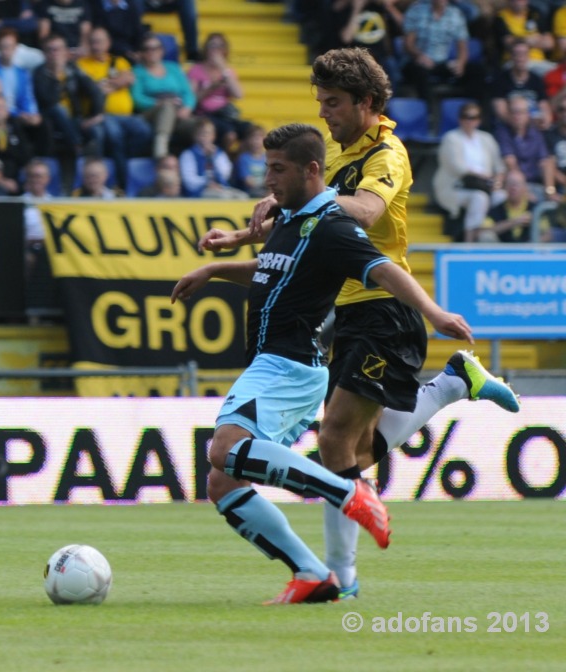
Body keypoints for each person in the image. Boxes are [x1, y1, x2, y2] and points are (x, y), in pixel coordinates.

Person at [198, 48, 520, 599]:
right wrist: (260, 224)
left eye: (334, 103)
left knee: (338, 441)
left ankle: (337, 577)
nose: (325, 113)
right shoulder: (346, 156)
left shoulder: (387, 155)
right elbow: (313, 218)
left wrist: (290, 203)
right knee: (346, 450)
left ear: (366, 102)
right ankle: (451, 385)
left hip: (383, 307)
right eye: (321, 102)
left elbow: (365, 214)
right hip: (346, 307)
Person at [171, 123, 474, 604]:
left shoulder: (332, 226)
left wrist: (435, 313)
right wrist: (213, 269)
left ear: (312, 170)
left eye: (278, 169)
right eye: (267, 168)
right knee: (223, 480)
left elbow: (384, 269)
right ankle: (313, 574)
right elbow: (267, 268)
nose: (268, 180)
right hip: (281, 363)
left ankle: (348, 493)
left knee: (224, 449)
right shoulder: (292, 219)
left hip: (287, 364)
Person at [77, 25, 151, 188]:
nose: (96, 45)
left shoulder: (119, 61)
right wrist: (117, 82)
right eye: (93, 42)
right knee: (114, 135)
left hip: (127, 116)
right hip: (102, 116)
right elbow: (89, 89)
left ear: (108, 43)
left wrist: (105, 84)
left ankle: (121, 158)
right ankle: (121, 184)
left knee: (144, 131)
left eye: (100, 41)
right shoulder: (82, 64)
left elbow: (130, 79)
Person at [432, 102, 507, 242]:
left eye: (474, 117)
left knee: (502, 196)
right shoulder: (451, 138)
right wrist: (484, 176)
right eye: (466, 116)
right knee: (479, 198)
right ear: (460, 119)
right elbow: (457, 167)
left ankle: (499, 235)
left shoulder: (487, 138)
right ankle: (470, 241)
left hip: (486, 185)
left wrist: (498, 181)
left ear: (479, 119)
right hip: (457, 187)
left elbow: (499, 166)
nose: (469, 120)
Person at [401, 0, 487, 106]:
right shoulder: (417, 11)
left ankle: (469, 110)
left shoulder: (455, 14)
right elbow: (408, 44)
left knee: (478, 71)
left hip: (442, 62)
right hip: (418, 60)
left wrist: (460, 63)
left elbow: (463, 47)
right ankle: (429, 113)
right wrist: (419, 56)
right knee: (419, 72)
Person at [33, 33, 105, 158]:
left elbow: (94, 90)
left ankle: (96, 165)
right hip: (50, 120)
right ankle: (77, 145)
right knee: (57, 109)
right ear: (44, 54)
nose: (54, 53)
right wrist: (56, 75)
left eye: (58, 49)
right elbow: (48, 100)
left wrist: (96, 115)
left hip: (75, 118)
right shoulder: (38, 73)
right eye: (50, 50)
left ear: (66, 52)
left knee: (97, 130)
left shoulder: (73, 68)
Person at [131, 32, 195, 158]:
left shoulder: (174, 68)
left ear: (161, 51)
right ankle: (160, 154)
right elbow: (137, 98)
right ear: (142, 53)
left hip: (178, 111)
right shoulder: (137, 71)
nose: (151, 51)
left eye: (155, 48)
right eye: (146, 49)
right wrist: (158, 103)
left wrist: (187, 108)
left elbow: (188, 93)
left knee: (201, 125)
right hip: (152, 112)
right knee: (167, 108)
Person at [186, 32, 248, 154]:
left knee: (250, 131)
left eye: (220, 46)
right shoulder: (196, 69)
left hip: (225, 114)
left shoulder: (227, 70)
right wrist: (212, 88)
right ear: (206, 48)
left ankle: (238, 161)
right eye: (212, 45)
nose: (216, 50)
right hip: (205, 114)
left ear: (225, 50)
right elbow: (191, 99)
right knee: (230, 134)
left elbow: (239, 94)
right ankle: (223, 160)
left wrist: (224, 69)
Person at [494, 92, 558, 203]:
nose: (516, 116)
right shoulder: (502, 132)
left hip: (536, 182)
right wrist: (525, 191)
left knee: (550, 161)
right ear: (508, 114)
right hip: (514, 185)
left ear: (528, 114)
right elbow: (510, 163)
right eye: (513, 112)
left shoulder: (535, 132)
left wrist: (549, 191)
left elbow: (545, 161)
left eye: (520, 112)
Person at [178, 117, 247, 199]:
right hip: (198, 191)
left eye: (208, 133)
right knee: (223, 197)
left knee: (242, 197)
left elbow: (225, 174)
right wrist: (207, 183)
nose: (205, 136)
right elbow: (189, 181)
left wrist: (214, 157)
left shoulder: (219, 153)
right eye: (201, 133)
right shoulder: (188, 154)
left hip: (221, 188)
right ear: (195, 136)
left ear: (213, 136)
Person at [491, 39, 552, 131]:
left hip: (534, 128)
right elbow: (501, 112)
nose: (521, 58)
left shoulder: (536, 80)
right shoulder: (500, 80)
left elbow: (544, 106)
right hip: (509, 128)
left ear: (528, 56)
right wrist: (521, 123)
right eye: (517, 54)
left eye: (524, 54)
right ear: (511, 56)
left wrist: (546, 120)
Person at [493, 0, 556, 77]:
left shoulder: (535, 13)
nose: (518, 2)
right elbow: (508, 43)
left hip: (538, 61)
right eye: (515, 1)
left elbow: (550, 44)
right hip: (513, 62)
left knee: (558, 75)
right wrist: (528, 40)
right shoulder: (501, 17)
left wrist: (517, 39)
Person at [477, 168, 543, 241]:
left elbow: (548, 233)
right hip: (502, 251)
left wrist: (530, 246)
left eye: (517, 184)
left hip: (529, 251)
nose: (513, 188)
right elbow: (481, 232)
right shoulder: (496, 210)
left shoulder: (535, 209)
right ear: (505, 187)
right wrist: (514, 222)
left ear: (525, 187)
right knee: (486, 236)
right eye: (510, 184)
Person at [234, 123, 267, 197]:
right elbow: (248, 182)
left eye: (259, 138)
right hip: (249, 192)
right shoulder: (243, 159)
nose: (256, 142)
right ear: (248, 140)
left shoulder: (267, 158)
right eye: (254, 138)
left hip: (265, 189)